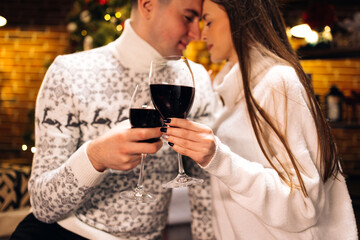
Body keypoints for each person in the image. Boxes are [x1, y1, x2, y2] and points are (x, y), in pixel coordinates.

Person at [10, 0, 218, 239]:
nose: (197, 33)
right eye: (188, 17)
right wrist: (94, 157)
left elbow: (202, 190)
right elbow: (42, 205)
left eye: (201, 20)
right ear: (148, 5)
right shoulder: (69, 72)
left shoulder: (195, 79)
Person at [160, 0, 359, 239]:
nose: (202, 34)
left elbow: (303, 205)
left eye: (209, 22)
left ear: (240, 17)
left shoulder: (278, 82)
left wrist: (219, 159)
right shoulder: (233, 93)